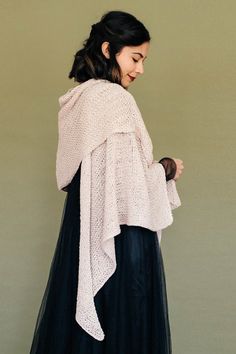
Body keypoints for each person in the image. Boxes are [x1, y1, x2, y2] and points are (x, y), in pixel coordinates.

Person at [29, 10, 184, 354]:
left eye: (143, 60)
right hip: (120, 234)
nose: (140, 69)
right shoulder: (115, 101)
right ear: (107, 50)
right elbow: (129, 186)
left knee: (82, 330)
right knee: (123, 328)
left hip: (83, 229)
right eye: (135, 57)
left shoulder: (82, 99)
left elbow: (91, 176)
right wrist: (166, 169)